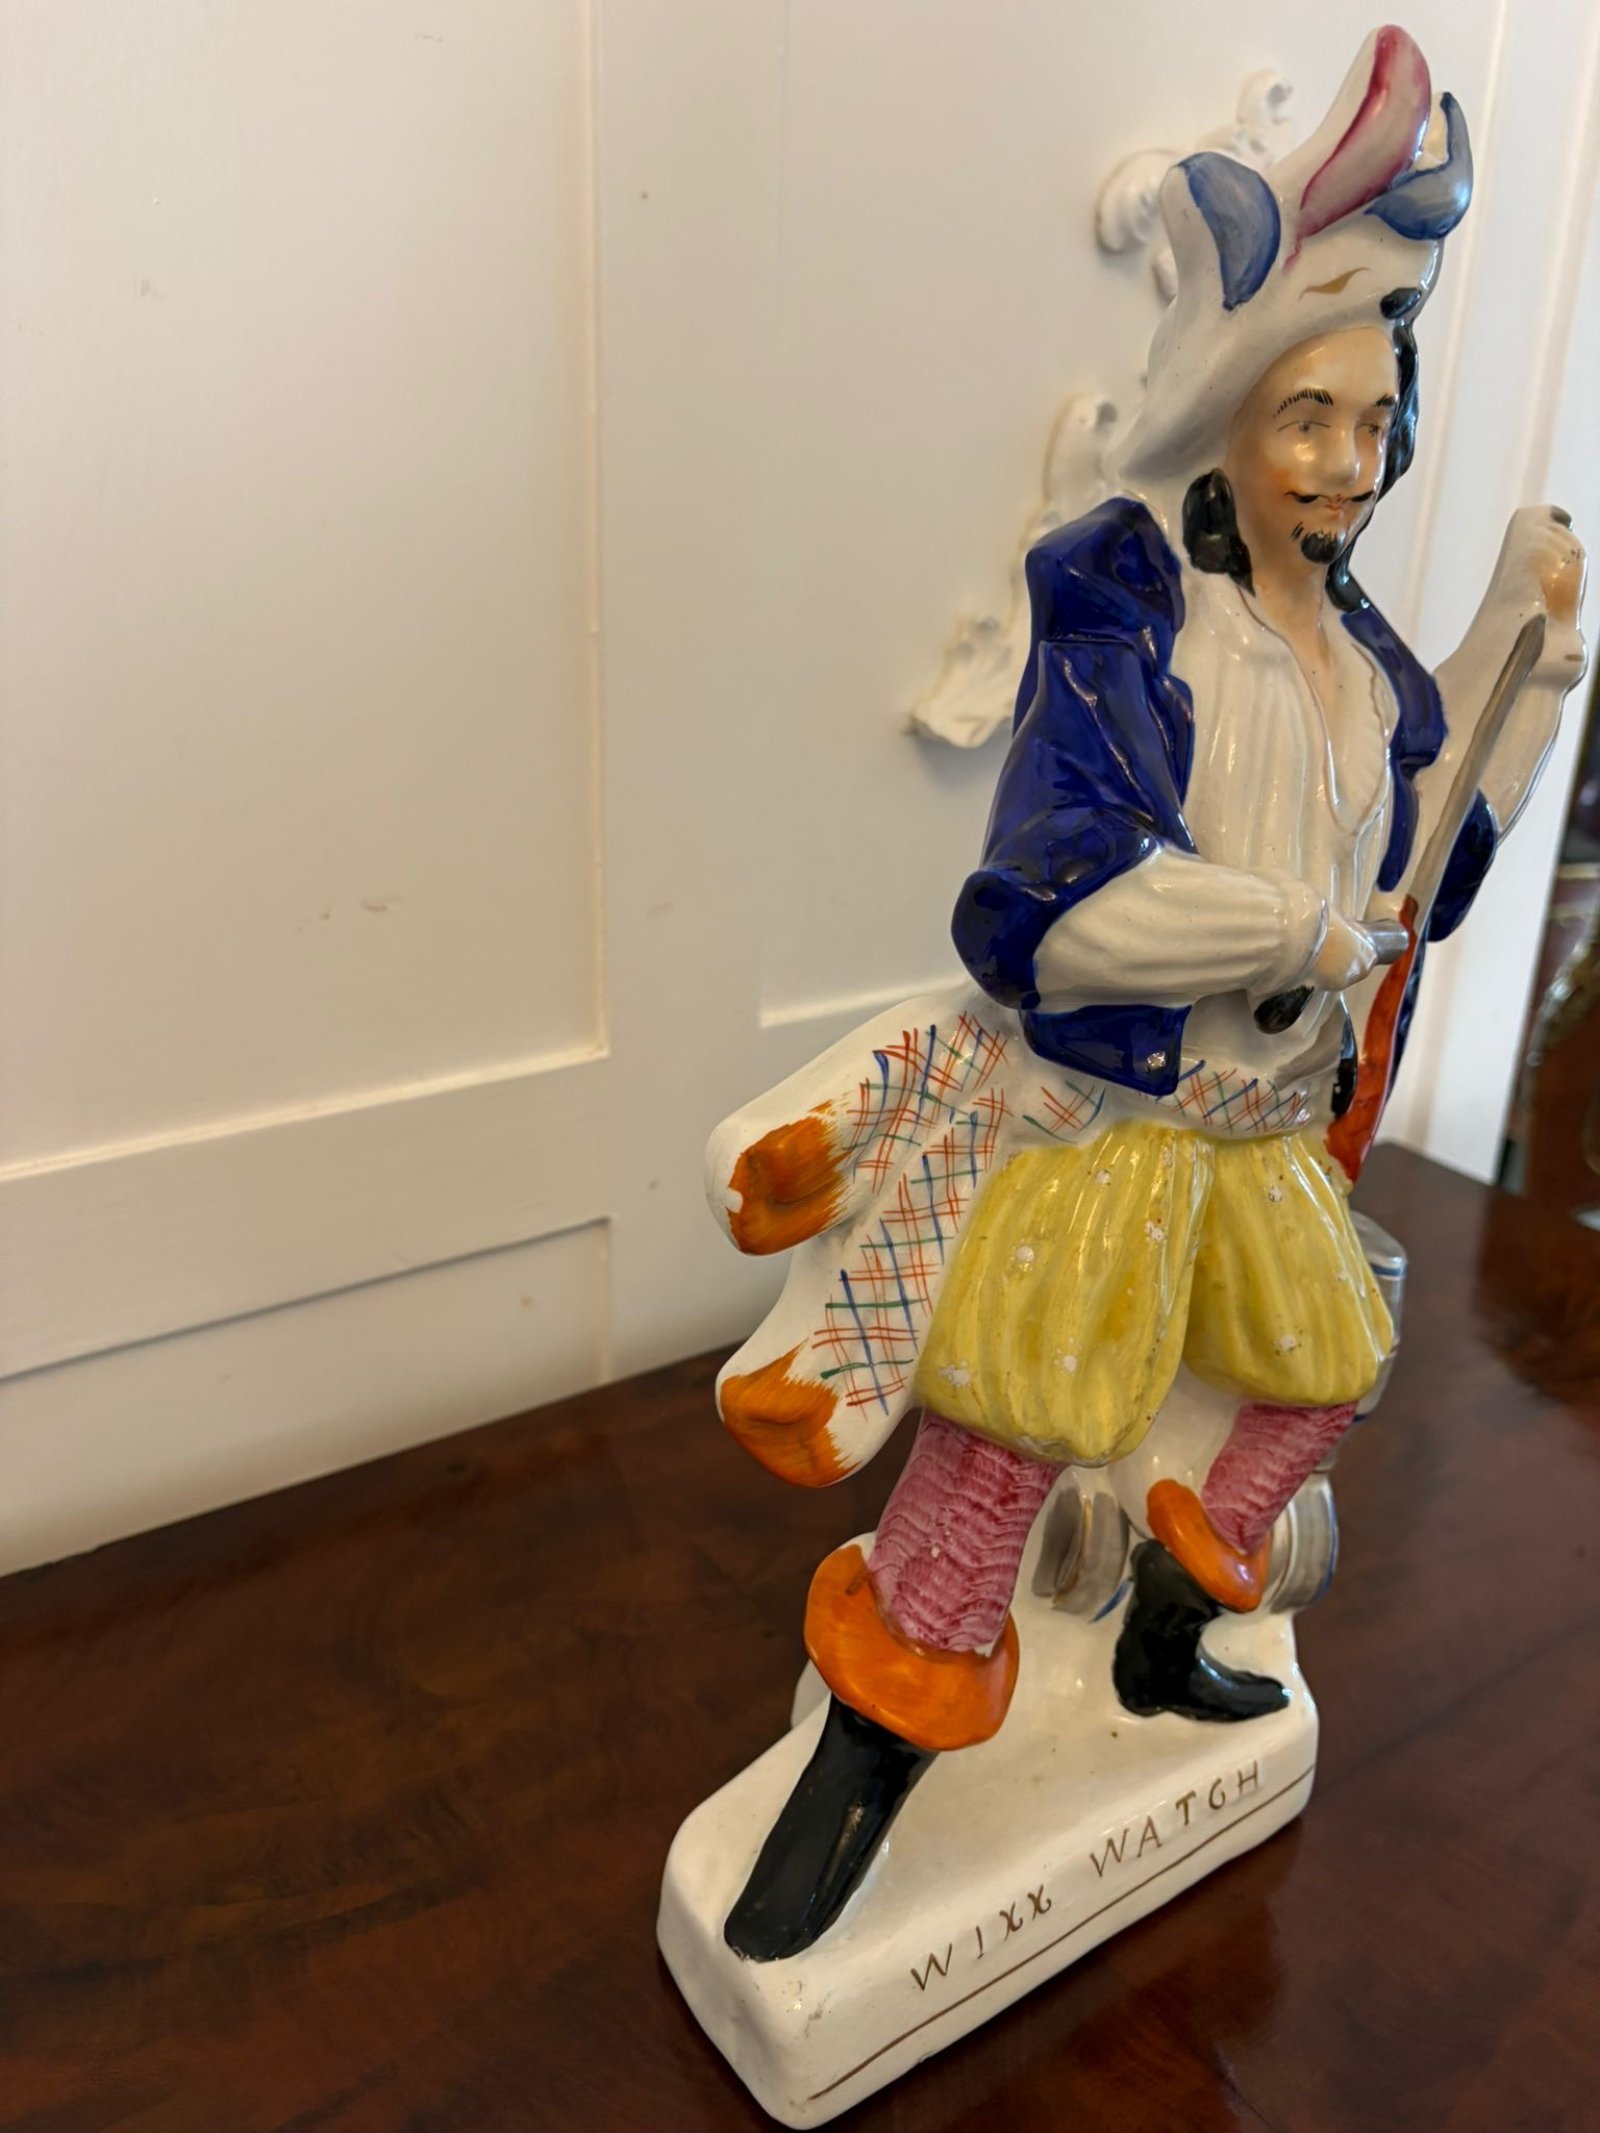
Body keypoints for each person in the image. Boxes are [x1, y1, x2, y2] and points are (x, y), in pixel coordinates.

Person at [707, 27, 1588, 1964]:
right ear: (1227, 418)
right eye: (1305, 418)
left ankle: (1176, 1621)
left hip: (1260, 1135)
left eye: (1372, 423)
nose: (1343, 465)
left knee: (1325, 1356)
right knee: (1006, 1429)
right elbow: (1055, 910)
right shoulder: (1125, 608)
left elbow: (1420, 877)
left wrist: (1523, 667)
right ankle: (864, 1762)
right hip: (1115, 1121)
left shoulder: (1365, 667)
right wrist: (1288, 932)